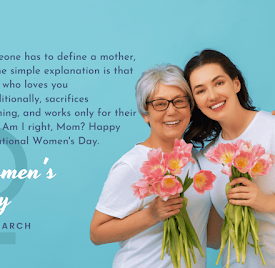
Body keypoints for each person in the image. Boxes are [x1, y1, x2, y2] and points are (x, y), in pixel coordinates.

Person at [90, 64, 213, 268]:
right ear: (145, 114)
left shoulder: (198, 163)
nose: (171, 111)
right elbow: (96, 233)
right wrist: (151, 214)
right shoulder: (132, 164)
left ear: (190, 108)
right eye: (160, 104)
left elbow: (213, 237)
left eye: (179, 101)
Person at [183, 49, 275, 267]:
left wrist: (266, 202)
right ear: (194, 101)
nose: (212, 96)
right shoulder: (204, 159)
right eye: (200, 90)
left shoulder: (271, 128)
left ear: (236, 84)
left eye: (219, 83)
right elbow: (214, 238)